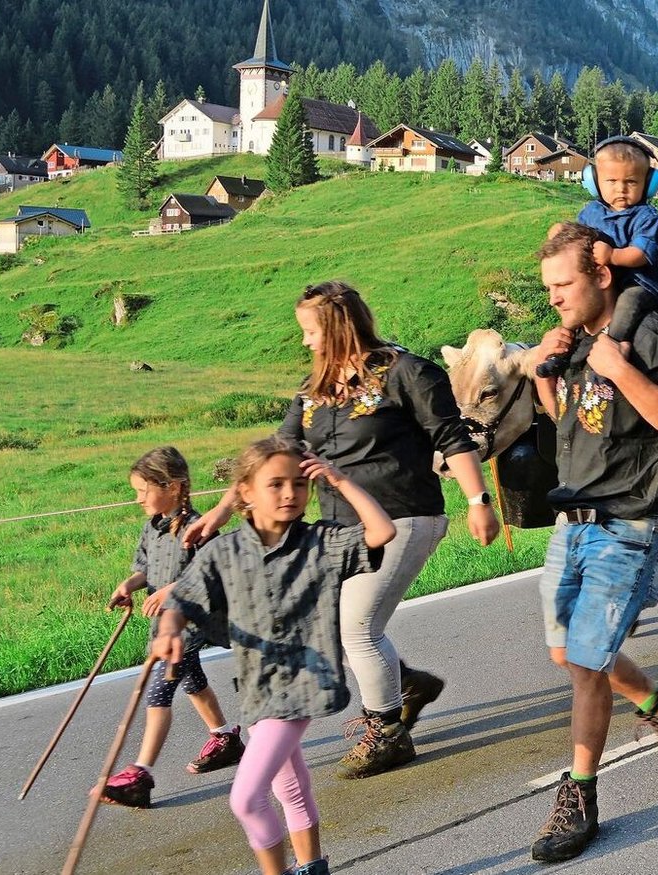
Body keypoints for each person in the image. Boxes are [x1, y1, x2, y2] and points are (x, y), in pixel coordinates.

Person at [184, 281, 500, 779]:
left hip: (403, 516)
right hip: (340, 528)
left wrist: (478, 501)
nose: (306, 342)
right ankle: (406, 686)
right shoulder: (314, 392)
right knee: (334, 626)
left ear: (336, 327)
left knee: (357, 628)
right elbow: (273, 456)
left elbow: (452, 438)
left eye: (310, 332)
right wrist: (222, 510)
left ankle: (387, 732)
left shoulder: (406, 373)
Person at [527, 223, 658, 863]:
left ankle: (579, 797)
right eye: (547, 289)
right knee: (569, 657)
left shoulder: (648, 335)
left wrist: (619, 368)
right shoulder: (578, 340)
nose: (553, 299)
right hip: (571, 524)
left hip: (628, 526)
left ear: (601, 276)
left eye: (563, 286)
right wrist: (546, 375)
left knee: (585, 666)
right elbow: (576, 421)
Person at [153, 436, 396, 875]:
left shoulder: (322, 542)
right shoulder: (224, 552)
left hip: (303, 685)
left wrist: (340, 482)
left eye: (299, 485)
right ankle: (312, 866)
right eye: (276, 484)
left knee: (245, 797)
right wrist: (168, 630)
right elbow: (182, 600)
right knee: (290, 788)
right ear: (244, 492)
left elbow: (382, 533)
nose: (290, 494)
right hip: (256, 687)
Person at [98, 446, 243, 809]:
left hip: (190, 623)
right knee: (192, 680)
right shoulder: (152, 528)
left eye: (144, 491)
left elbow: (209, 575)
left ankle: (140, 773)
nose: (138, 500)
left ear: (174, 487)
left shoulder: (199, 529)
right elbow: (146, 568)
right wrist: (130, 585)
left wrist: (171, 590)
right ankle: (225, 738)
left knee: (160, 691)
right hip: (166, 626)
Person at [535, 137, 658, 378]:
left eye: (631, 181)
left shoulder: (647, 217)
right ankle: (562, 356)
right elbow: (578, 237)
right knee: (579, 308)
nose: (621, 189)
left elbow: (641, 254)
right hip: (606, 283)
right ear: (595, 182)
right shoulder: (592, 211)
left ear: (648, 184)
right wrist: (561, 233)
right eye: (611, 181)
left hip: (640, 284)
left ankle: (613, 350)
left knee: (628, 304)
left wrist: (614, 255)